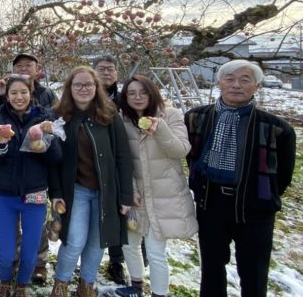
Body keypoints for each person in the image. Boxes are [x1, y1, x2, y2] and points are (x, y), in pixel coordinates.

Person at [185, 59, 295, 297]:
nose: (236, 85)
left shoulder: (275, 128)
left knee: (254, 272)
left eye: (245, 80)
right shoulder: (196, 118)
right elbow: (190, 156)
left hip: (254, 208)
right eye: (230, 79)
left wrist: (261, 196)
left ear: (257, 86)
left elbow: (283, 174)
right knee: (212, 268)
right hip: (211, 203)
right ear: (219, 83)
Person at [49, 66, 133, 297]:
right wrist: (55, 192)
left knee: (98, 242)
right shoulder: (60, 117)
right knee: (74, 240)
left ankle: (86, 285)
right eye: (78, 85)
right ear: (70, 88)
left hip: (106, 192)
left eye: (88, 84)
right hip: (76, 191)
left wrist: (125, 196)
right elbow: (53, 160)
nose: (83, 89)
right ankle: (61, 283)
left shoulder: (109, 116)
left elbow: (123, 157)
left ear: (96, 87)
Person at [114, 75, 197, 297]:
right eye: (131, 93)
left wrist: (160, 130)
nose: (137, 97)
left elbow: (180, 150)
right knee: (129, 244)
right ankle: (136, 285)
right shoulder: (123, 120)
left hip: (164, 195)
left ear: (152, 93)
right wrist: (129, 187)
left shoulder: (170, 115)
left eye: (143, 92)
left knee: (155, 250)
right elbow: (121, 158)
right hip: (136, 194)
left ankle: (160, 293)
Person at [0, 75, 62, 297]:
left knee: (29, 251)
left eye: (23, 92)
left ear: (31, 93)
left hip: (34, 194)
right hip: (5, 194)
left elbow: (56, 158)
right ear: (7, 96)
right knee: (7, 251)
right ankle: (5, 281)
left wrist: (48, 140)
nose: (19, 97)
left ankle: (22, 284)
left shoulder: (45, 117)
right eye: (14, 93)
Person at [91, 56, 129, 284]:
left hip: (118, 161)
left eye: (110, 69)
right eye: (101, 69)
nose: (106, 73)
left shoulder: (125, 98)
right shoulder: (83, 97)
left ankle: (117, 260)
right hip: (89, 164)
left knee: (117, 212)